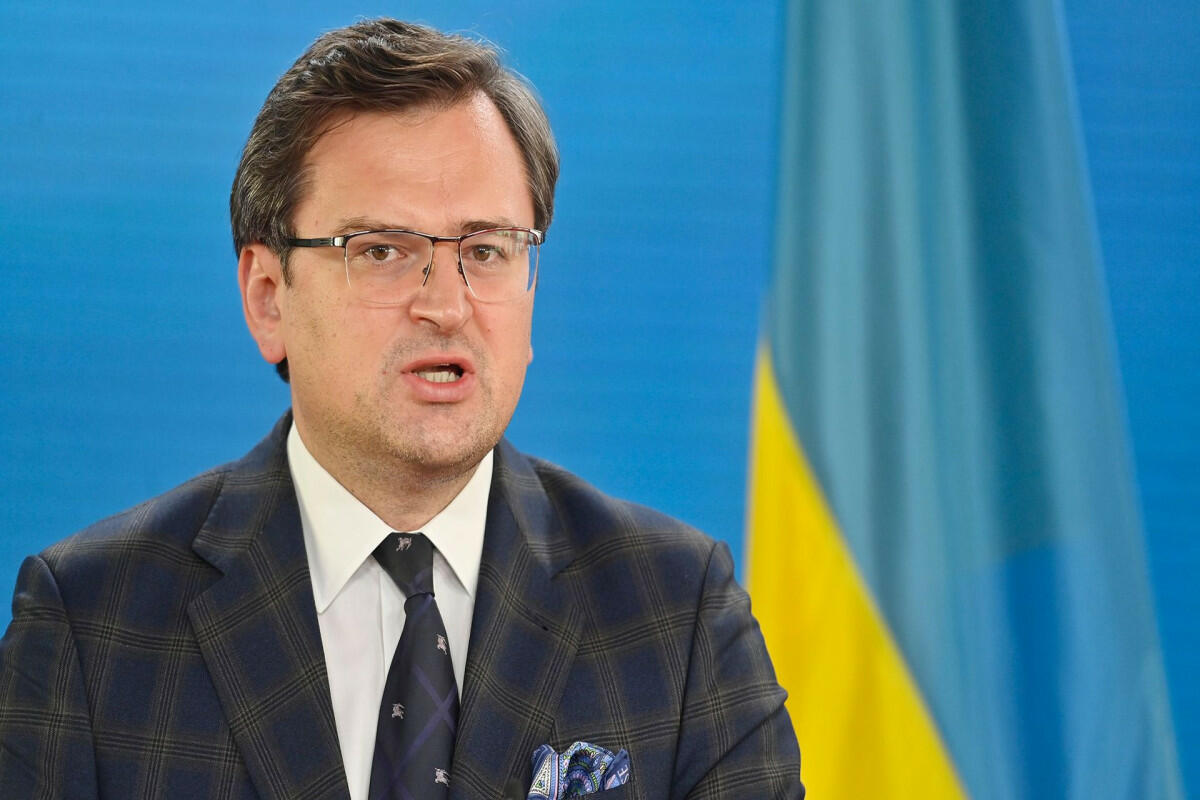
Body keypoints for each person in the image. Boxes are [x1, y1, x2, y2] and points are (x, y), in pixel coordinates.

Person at [0, 18, 802, 800]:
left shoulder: (677, 614)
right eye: (382, 250)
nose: (446, 306)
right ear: (268, 297)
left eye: (485, 250)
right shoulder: (90, 628)